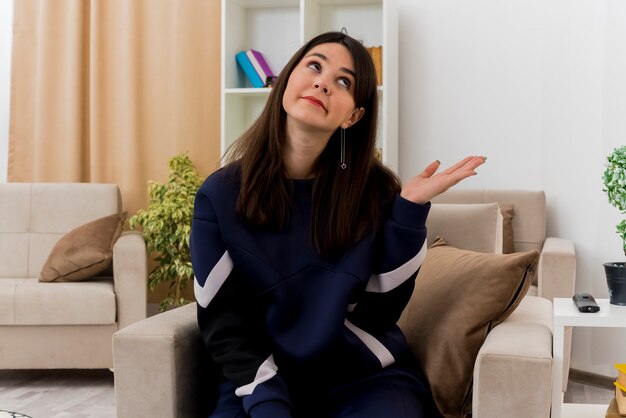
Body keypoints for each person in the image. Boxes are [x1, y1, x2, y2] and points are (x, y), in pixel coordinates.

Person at [190, 31, 485, 418]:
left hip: (363, 379)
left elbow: (378, 314)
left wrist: (409, 209)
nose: (322, 82)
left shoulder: (376, 191)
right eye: (314, 65)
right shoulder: (219, 195)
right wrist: (268, 402)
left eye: (343, 81)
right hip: (260, 380)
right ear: (285, 81)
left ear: (353, 116)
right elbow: (225, 325)